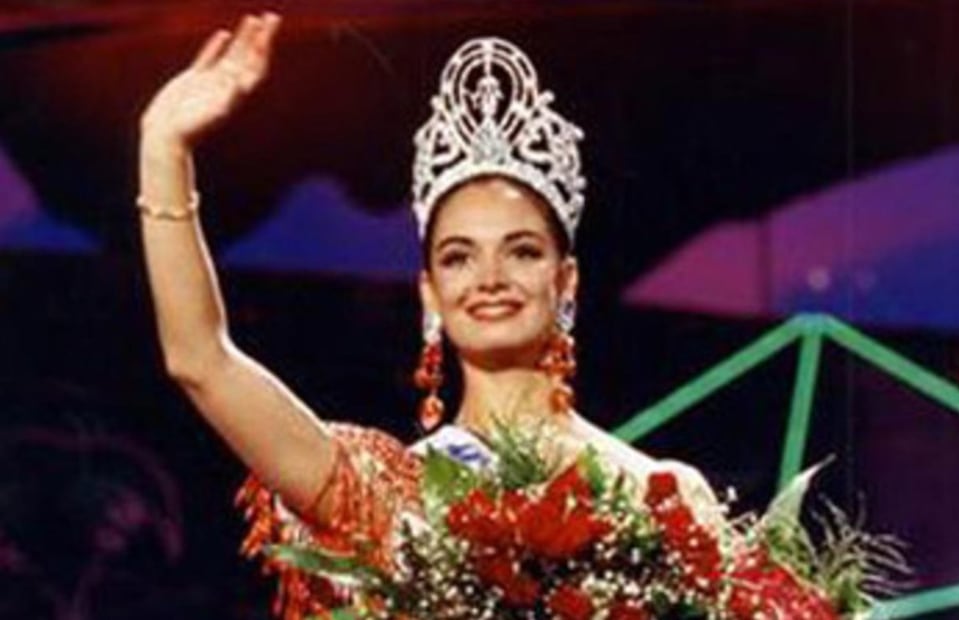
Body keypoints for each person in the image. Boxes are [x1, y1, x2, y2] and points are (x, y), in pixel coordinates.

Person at [137, 11, 721, 618]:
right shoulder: (387, 496)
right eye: (458, 257)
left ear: (565, 280)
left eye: (521, 251)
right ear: (430, 295)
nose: (490, 278)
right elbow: (200, 360)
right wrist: (162, 149)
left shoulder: (664, 496)